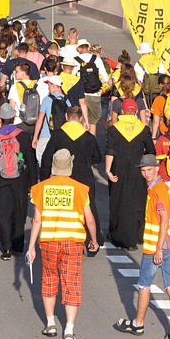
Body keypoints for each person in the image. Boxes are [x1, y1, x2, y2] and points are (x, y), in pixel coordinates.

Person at [25, 149, 100, 339]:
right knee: (72, 283)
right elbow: (89, 219)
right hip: (73, 241)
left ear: (53, 166)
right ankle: (69, 329)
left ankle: (50, 324)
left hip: (49, 240)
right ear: (70, 165)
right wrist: (94, 239)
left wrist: (31, 246)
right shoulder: (80, 189)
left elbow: (36, 220)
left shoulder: (41, 188)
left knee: (49, 279)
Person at [113, 154, 170, 339]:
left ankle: (138, 323)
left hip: (159, 245)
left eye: (149, 170)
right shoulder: (160, 187)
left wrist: (158, 249)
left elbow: (163, 219)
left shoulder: (158, 190)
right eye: (143, 170)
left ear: (157, 168)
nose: (146, 173)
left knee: (144, 285)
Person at [0, 102, 37, 260]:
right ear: (13, 117)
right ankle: (18, 244)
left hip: (0, 177)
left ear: (0, 118)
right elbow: (31, 161)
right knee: (19, 210)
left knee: (1, 211)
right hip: (20, 178)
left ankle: (6, 246)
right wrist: (33, 185)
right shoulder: (23, 135)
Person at [40, 105, 103, 251]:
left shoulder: (58, 135)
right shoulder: (88, 137)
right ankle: (93, 239)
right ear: (81, 119)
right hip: (84, 175)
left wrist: (43, 179)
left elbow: (46, 158)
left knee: (65, 207)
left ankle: (67, 236)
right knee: (88, 207)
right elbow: (97, 157)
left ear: (67, 117)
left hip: (63, 175)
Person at [105, 99, 154, 250]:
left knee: (118, 201)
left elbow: (110, 151)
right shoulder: (144, 129)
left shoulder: (114, 129)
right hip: (137, 171)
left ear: (122, 111)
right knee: (137, 202)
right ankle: (137, 235)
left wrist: (108, 170)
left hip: (118, 169)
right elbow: (151, 151)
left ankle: (117, 234)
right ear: (135, 112)